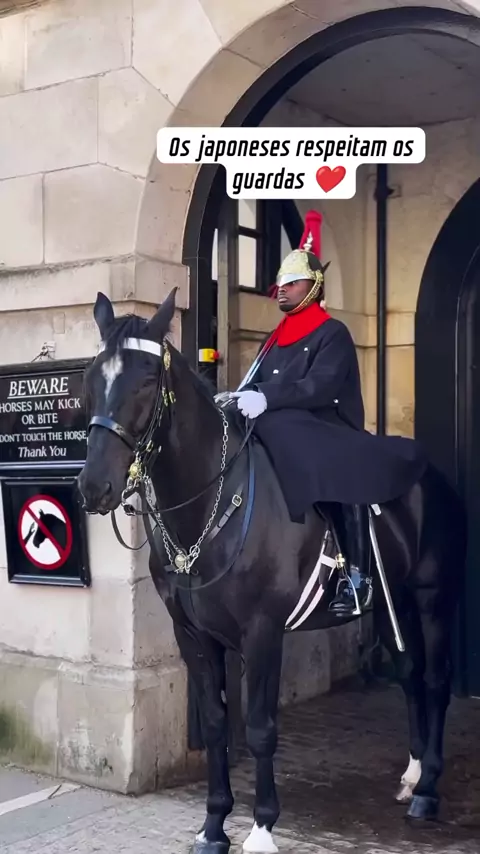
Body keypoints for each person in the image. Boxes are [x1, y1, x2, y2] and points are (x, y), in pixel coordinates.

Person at [219, 210, 427, 617]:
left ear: (313, 287)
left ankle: (357, 577)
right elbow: (256, 385)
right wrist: (236, 398)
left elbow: (321, 386)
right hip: (283, 425)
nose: (281, 289)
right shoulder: (274, 339)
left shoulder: (333, 333)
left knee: (335, 472)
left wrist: (267, 398)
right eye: (280, 283)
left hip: (328, 426)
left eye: (292, 283)